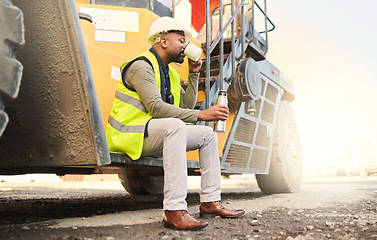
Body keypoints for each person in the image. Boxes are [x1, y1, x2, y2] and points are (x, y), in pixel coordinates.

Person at [106, 16, 245, 231]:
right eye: (181, 40)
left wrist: (193, 74)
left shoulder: (169, 71)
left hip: (152, 133)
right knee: (176, 126)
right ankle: (174, 210)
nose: (185, 47)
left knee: (206, 135)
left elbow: (185, 106)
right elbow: (157, 109)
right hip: (129, 135)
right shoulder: (141, 66)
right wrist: (202, 115)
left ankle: (210, 202)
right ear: (163, 41)